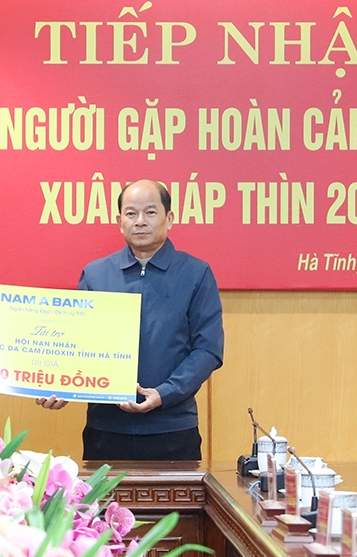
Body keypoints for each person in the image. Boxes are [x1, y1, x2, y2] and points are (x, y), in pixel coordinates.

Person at [38, 179, 223, 461]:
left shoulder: (196, 273)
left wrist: (165, 393)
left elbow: (208, 349)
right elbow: (77, 345)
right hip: (106, 428)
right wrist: (62, 385)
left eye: (150, 212)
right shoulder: (96, 274)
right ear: (119, 221)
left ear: (169, 218)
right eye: (131, 213)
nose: (140, 221)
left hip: (172, 428)